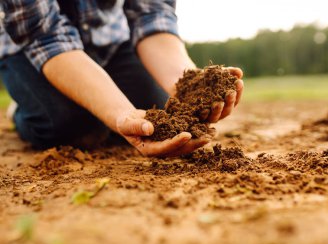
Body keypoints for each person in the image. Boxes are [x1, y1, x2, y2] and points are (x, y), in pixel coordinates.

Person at [0, 0, 244, 157]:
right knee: (71, 126)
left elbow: (152, 14)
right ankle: (22, 111)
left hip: (110, 41)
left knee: (159, 109)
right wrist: (118, 113)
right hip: (30, 51)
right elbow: (46, 36)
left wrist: (190, 85)